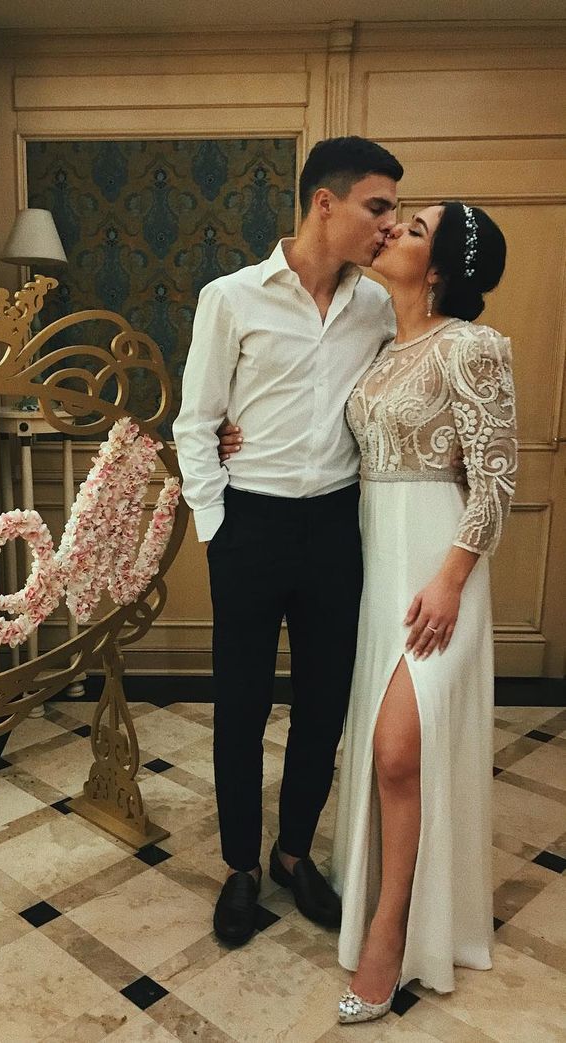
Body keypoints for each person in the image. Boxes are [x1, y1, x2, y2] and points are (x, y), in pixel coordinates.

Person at [220, 201, 517, 1024]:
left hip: (436, 567)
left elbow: (496, 479)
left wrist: (450, 579)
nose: (390, 231)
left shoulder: (471, 346)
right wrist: (235, 435)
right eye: (395, 219)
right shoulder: (380, 342)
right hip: (372, 563)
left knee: (394, 752)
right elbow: (314, 419)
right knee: (388, 757)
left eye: (412, 229)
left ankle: (389, 937)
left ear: (441, 268)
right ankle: (383, 904)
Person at [172, 136, 402, 947]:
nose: (388, 224)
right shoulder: (231, 297)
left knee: (322, 704)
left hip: (336, 527)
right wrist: (218, 528)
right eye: (377, 206)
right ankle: (239, 865)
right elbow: (196, 422)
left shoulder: (377, 308)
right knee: (239, 705)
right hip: (250, 525)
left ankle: (292, 852)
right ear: (323, 202)